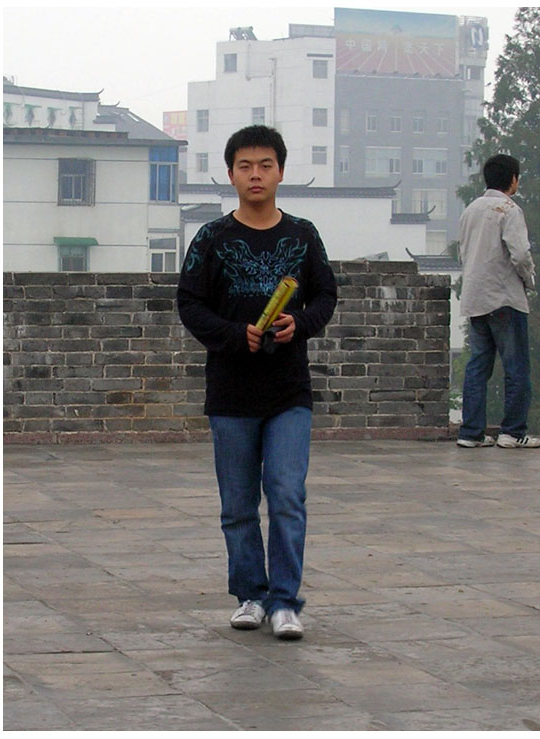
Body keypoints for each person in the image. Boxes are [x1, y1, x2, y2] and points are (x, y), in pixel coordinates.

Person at [177, 125, 337, 639]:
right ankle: (251, 594)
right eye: (245, 166)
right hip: (230, 391)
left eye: (265, 165)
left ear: (280, 171)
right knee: (238, 505)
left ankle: (286, 601)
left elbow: (326, 296)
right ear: (230, 174)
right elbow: (189, 304)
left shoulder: (303, 235)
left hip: (289, 391)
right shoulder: (212, 238)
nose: (255, 175)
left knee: (287, 495)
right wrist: (232, 335)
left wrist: (300, 324)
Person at [456, 153, 540, 449]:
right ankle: (513, 431)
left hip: (475, 297)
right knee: (516, 367)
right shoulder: (509, 209)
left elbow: (464, 252)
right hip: (505, 297)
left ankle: (471, 432)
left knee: (478, 367)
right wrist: (529, 280)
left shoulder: (471, 210)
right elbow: (520, 254)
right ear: (513, 179)